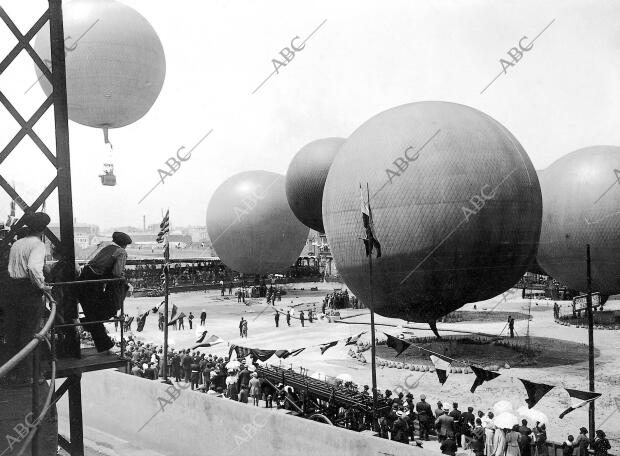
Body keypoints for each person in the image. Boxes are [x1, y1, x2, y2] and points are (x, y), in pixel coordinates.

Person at [3, 213, 52, 381]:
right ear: (43, 229)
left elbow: (11, 267)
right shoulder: (38, 245)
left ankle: (12, 373)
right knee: (31, 333)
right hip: (28, 292)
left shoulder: (17, 243)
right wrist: (42, 285)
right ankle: (29, 375)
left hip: (12, 290)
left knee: (13, 333)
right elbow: (33, 267)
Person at [78, 231, 131, 352]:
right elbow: (117, 273)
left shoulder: (106, 247)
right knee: (105, 312)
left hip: (85, 277)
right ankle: (83, 323)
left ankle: (103, 343)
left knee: (94, 314)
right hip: (94, 281)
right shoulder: (121, 252)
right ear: (124, 245)